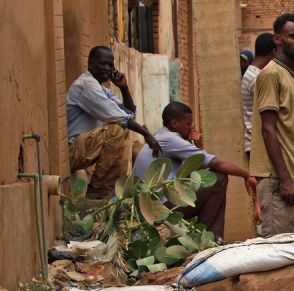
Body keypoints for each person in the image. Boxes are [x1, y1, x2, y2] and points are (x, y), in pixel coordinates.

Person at [133, 102, 258, 240]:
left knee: (207, 179)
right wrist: (247, 175)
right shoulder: (171, 140)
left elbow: (196, 171)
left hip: (150, 207)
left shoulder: (160, 136)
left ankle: (208, 238)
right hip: (160, 209)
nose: (191, 126)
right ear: (174, 123)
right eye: (188, 123)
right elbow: (216, 163)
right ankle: (210, 239)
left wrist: (199, 146)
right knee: (219, 177)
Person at [250, 13, 294, 237]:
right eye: (293, 36)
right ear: (277, 39)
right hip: (280, 180)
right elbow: (268, 128)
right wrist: (285, 179)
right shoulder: (271, 75)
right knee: (278, 249)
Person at [67, 45, 161, 199]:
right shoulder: (87, 85)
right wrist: (147, 135)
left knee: (122, 130)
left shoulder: (101, 89)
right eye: (102, 64)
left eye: (110, 65)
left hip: (83, 150)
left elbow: (128, 114)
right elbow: (121, 118)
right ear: (90, 63)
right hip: (71, 151)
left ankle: (112, 190)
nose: (107, 68)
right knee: (115, 130)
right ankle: (99, 191)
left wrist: (123, 87)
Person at [242, 34, 276, 160]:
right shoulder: (258, 78)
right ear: (273, 52)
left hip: (256, 140)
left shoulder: (252, 72)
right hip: (258, 142)